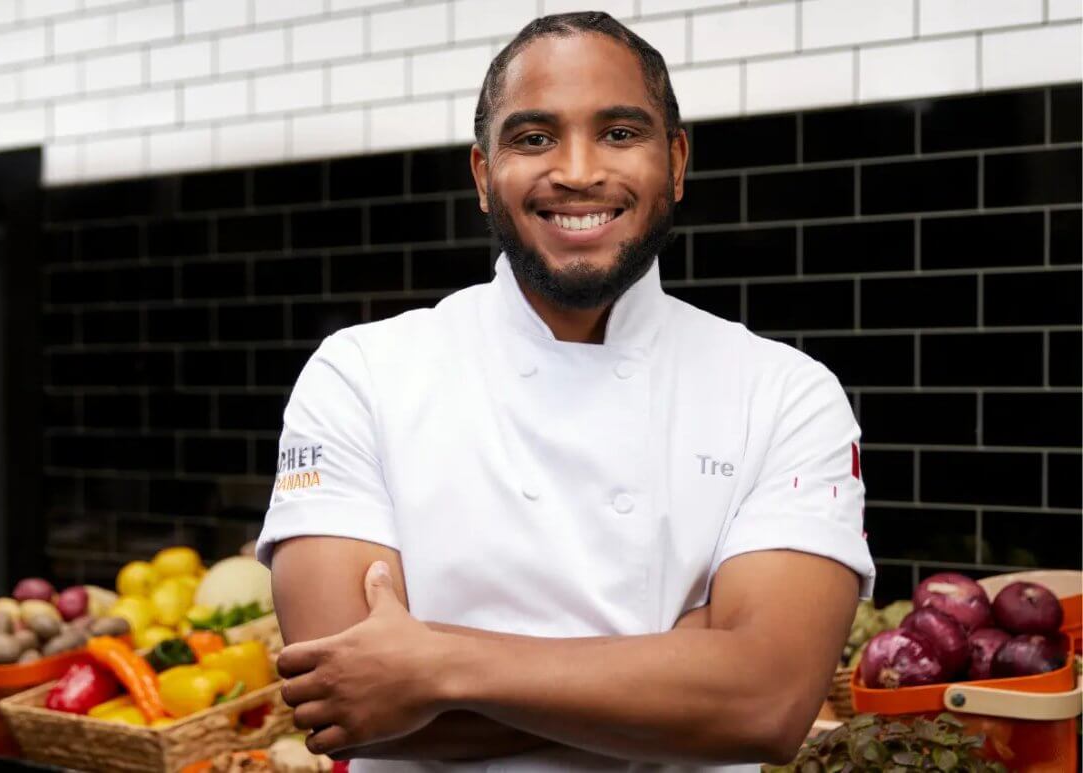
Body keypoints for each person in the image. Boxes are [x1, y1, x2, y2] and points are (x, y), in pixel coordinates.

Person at [257, 12, 875, 773]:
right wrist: (684, 665)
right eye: (533, 137)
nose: (578, 170)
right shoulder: (360, 374)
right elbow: (349, 708)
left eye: (620, 132)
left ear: (676, 162)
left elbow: (767, 704)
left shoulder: (785, 394)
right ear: (484, 177)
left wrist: (433, 664)